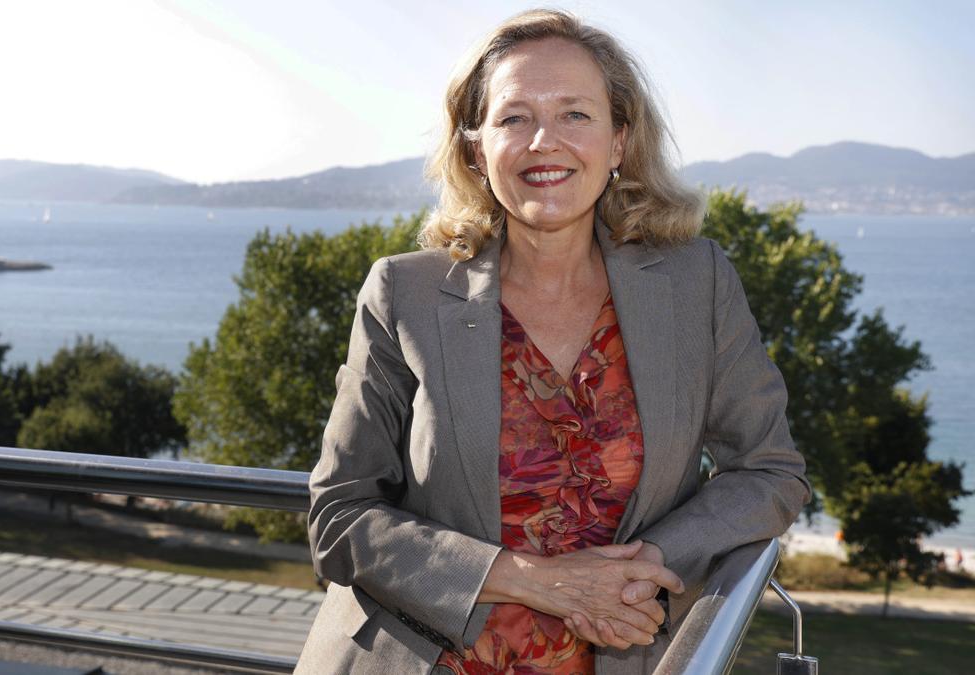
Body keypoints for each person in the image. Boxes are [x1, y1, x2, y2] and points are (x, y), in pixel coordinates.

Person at [295, 9, 811, 675]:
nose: (545, 140)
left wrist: (649, 562)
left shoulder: (697, 282)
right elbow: (339, 515)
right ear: (478, 148)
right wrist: (535, 579)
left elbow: (770, 470)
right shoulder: (404, 293)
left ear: (619, 140)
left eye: (575, 114)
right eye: (514, 117)